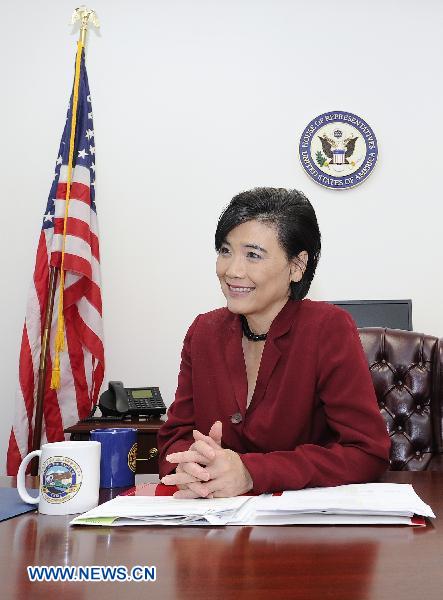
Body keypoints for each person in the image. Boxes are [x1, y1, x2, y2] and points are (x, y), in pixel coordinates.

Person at [158, 187, 390, 498]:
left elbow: (367, 453)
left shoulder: (327, 328)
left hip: (304, 532)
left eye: (253, 255)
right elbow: (176, 436)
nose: (231, 270)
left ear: (297, 266)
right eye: (225, 251)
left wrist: (252, 473)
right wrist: (190, 466)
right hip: (218, 527)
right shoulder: (205, 331)